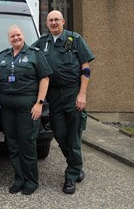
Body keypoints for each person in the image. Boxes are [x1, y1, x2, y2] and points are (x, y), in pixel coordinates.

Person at [32, 10, 95, 194]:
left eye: (56, 20)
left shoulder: (74, 39)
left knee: (74, 136)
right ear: (47, 23)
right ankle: (76, 165)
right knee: (59, 134)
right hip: (53, 96)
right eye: (50, 20)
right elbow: (27, 55)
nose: (53, 23)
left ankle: (70, 177)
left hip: (72, 93)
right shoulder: (42, 43)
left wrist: (82, 94)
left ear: (63, 21)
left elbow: (86, 68)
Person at [0, 25, 52, 195]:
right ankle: (19, 178)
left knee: (27, 143)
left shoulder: (34, 54)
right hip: (7, 107)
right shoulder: (3, 56)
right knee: (12, 143)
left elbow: (44, 79)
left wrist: (39, 103)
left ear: (23, 36)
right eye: (12, 36)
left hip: (27, 106)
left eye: (18, 35)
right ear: (9, 39)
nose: (16, 38)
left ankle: (31, 180)